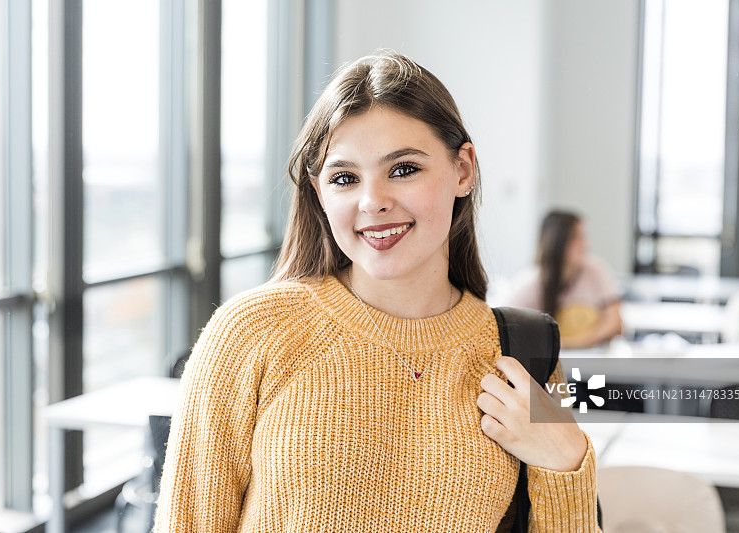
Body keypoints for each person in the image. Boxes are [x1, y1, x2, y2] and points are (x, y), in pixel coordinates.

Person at [153, 52, 600, 532]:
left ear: (463, 170)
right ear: (320, 193)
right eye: (344, 178)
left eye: (403, 169)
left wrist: (568, 459)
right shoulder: (252, 332)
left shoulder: (518, 354)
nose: (373, 202)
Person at [507, 211, 623, 350]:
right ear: (556, 242)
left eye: (583, 236)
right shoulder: (529, 283)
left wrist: (567, 343)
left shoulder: (596, 271)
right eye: (576, 237)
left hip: (592, 357)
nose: (584, 244)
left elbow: (615, 325)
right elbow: (508, 332)